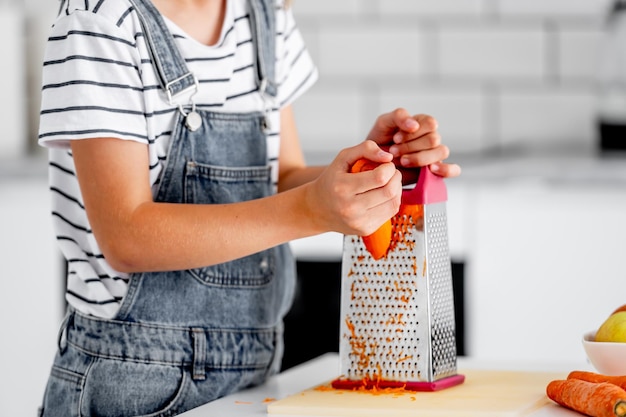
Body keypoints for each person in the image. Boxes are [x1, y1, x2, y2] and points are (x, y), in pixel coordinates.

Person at [36, 0, 461, 416]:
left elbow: (281, 177)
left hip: (254, 375)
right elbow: (127, 236)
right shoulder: (100, 20)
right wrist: (310, 210)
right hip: (135, 380)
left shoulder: (264, 13)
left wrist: (368, 172)